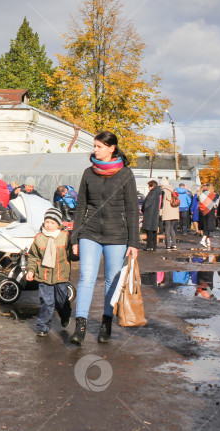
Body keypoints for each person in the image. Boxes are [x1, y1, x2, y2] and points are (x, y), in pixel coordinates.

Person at [70, 131, 139, 346]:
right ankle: (79, 327)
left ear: (112, 148)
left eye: (99, 146)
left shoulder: (126, 174)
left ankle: (106, 323)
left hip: (117, 235)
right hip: (89, 233)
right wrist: (75, 238)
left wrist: (134, 243)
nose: (95, 150)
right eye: (95, 146)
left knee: (112, 281)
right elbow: (80, 206)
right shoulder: (88, 173)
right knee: (86, 278)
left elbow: (132, 210)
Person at [26, 207, 72, 336]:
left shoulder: (65, 237)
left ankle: (65, 315)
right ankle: (42, 326)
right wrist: (31, 270)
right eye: (47, 222)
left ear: (58, 224)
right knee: (47, 302)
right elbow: (33, 256)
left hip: (61, 276)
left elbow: (72, 254)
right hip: (44, 276)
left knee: (61, 301)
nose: (49, 225)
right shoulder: (39, 238)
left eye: (52, 223)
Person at [141, 180, 162, 251]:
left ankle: (149, 246)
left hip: (149, 213)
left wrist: (143, 209)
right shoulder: (158, 192)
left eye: (149, 186)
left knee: (149, 230)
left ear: (152, 186)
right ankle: (153, 245)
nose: (148, 188)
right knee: (154, 230)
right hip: (154, 213)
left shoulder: (152, 193)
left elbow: (147, 203)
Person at [159, 178, 180, 250]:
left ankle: (167, 245)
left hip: (167, 211)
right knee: (172, 228)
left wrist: (161, 212)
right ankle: (174, 244)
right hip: (174, 211)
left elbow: (163, 202)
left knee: (167, 228)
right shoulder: (173, 189)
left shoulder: (164, 191)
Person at [197, 184, 218, 249]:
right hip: (209, 211)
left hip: (202, 211)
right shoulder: (212, 195)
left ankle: (208, 240)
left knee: (205, 226)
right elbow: (216, 201)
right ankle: (203, 240)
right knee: (208, 226)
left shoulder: (200, 194)